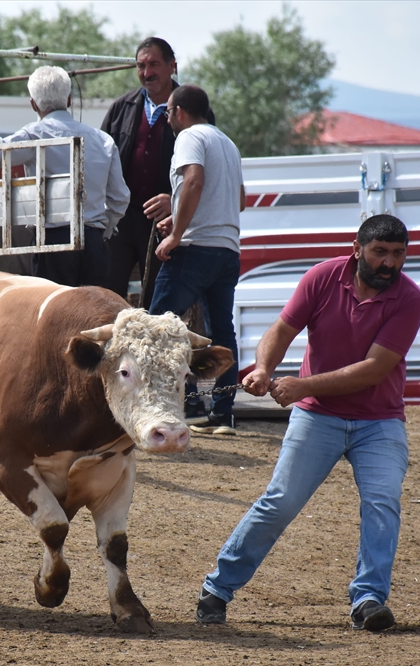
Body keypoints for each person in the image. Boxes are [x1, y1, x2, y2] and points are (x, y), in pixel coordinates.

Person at [195, 214, 420, 632]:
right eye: (380, 252)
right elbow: (282, 330)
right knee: (280, 502)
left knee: (383, 503)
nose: (389, 263)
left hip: (379, 420)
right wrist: (264, 368)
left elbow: (374, 369)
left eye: (398, 254)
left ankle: (369, 599)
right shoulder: (322, 278)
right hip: (318, 416)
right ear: (357, 249)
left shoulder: (409, 299)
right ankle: (217, 588)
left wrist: (301, 386)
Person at [0, 65, 128, 289]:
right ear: (70, 99)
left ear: (33, 103)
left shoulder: (33, 135)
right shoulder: (103, 140)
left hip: (53, 241)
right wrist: (103, 230)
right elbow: (120, 197)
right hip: (93, 241)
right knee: (95, 314)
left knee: (55, 315)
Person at [146, 84, 243, 435]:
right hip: (227, 249)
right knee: (221, 331)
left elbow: (194, 181)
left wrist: (175, 234)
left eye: (169, 112)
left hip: (194, 249)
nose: (168, 118)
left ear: (180, 112)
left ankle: (183, 404)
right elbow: (238, 200)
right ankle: (222, 413)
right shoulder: (227, 143)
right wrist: (178, 213)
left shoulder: (188, 137)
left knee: (160, 327)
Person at [100, 37, 214, 306]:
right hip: (121, 221)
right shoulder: (121, 108)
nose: (147, 73)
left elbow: (201, 172)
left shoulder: (196, 110)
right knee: (108, 295)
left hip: (165, 225)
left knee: (159, 301)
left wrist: (174, 202)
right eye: (141, 66)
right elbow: (101, 159)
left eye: (154, 64)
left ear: (172, 66)